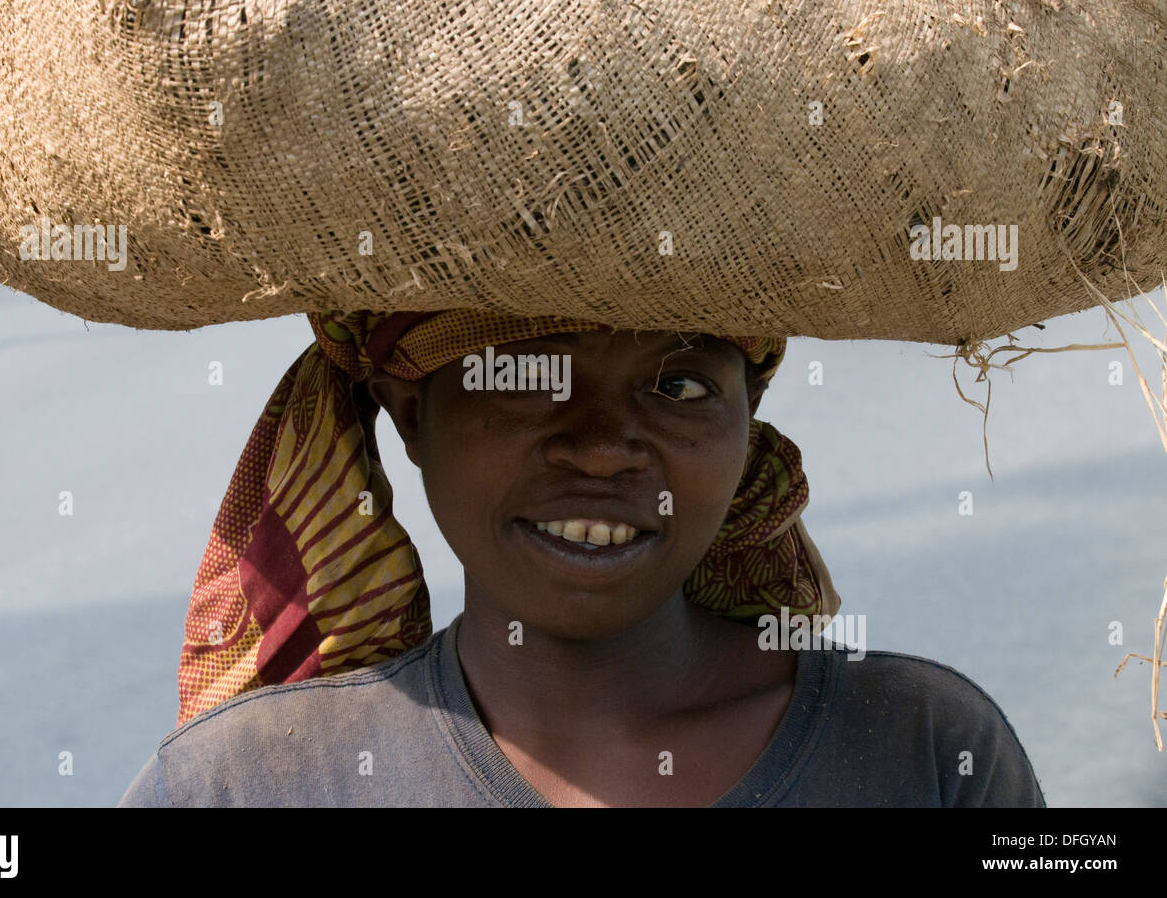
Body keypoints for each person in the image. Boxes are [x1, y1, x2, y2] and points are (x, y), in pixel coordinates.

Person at [119, 310, 1045, 807]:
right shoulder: (241, 786)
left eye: (678, 385)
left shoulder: (931, 756)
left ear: (747, 423)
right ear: (411, 417)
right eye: (525, 375)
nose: (603, 446)